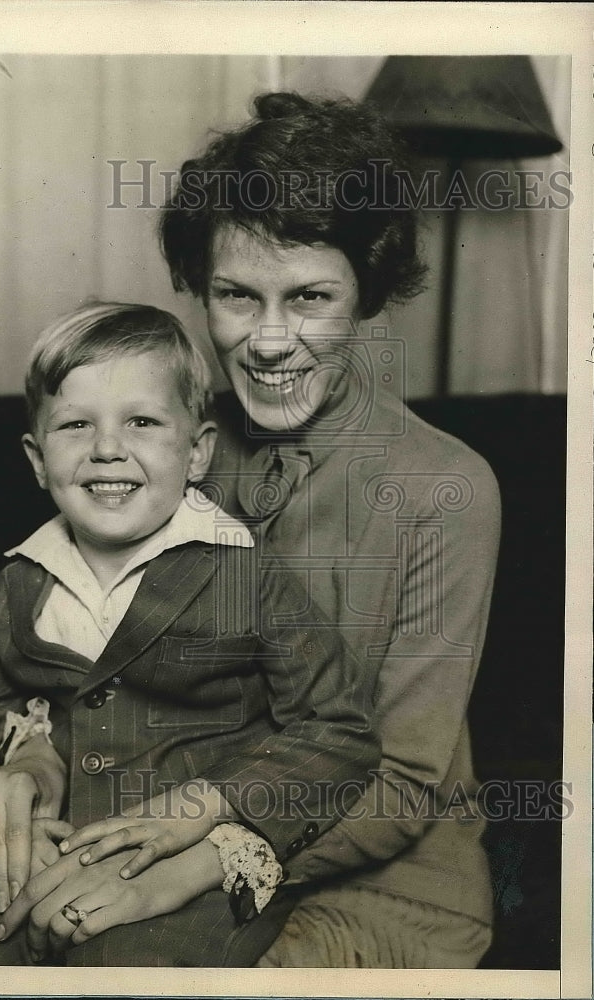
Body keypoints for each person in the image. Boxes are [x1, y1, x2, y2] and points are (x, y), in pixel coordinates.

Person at [0, 300, 379, 966]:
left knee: (130, 970)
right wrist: (10, 779)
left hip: (182, 873)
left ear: (197, 450)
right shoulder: (20, 582)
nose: (107, 448)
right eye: (76, 424)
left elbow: (339, 729)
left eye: (142, 421)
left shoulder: (246, 573)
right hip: (32, 857)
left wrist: (212, 803)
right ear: (36, 458)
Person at [155, 90, 501, 968]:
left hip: (380, 889)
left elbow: (403, 784)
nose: (271, 340)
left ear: (367, 293)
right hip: (178, 847)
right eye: (237, 295)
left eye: (310, 297)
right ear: (202, 292)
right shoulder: (169, 448)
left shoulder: (445, 488)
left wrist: (191, 864)